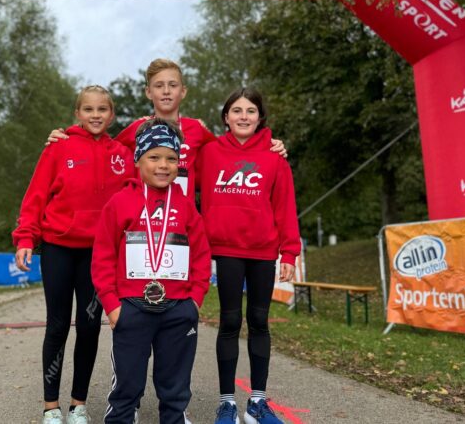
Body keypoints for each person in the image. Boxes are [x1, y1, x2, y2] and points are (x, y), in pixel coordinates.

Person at [12, 85, 135, 424]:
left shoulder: (122, 153)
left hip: (98, 254)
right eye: (88, 109)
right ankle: (51, 406)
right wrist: (25, 238)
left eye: (102, 109)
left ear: (111, 114)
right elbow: (35, 197)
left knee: (91, 325)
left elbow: (139, 193)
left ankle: (78, 404)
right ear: (77, 114)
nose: (96, 115)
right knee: (57, 325)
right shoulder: (58, 148)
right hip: (58, 249)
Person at [91, 118, 212, 423]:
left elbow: (200, 254)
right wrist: (112, 305)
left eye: (171, 158)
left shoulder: (186, 206)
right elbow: (103, 255)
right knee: (128, 385)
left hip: (178, 309)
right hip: (131, 307)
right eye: (154, 157)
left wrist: (194, 300)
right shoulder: (120, 203)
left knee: (175, 386)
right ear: (138, 160)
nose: (163, 165)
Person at [196, 88, 300, 424]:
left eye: (250, 111)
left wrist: (290, 252)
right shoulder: (209, 153)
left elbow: (285, 208)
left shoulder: (274, 158)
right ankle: (227, 403)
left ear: (260, 117)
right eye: (236, 110)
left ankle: (256, 403)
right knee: (229, 322)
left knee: (259, 322)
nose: (243, 116)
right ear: (226, 117)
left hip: (262, 252)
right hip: (226, 251)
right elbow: (169, 165)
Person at [47, 59, 287, 198]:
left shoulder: (196, 129)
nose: (166, 91)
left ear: (183, 91)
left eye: (172, 85)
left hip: (182, 219)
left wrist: (267, 145)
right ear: (148, 92)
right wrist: (71, 135)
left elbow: (230, 154)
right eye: (159, 86)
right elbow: (102, 147)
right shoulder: (137, 128)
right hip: (142, 218)